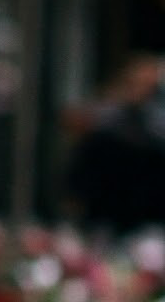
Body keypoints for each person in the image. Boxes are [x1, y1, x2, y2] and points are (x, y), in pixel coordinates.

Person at [66, 54, 165, 233]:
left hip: (148, 216)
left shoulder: (155, 122)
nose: (140, 90)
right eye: (135, 83)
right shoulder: (105, 119)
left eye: (147, 85)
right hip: (105, 213)